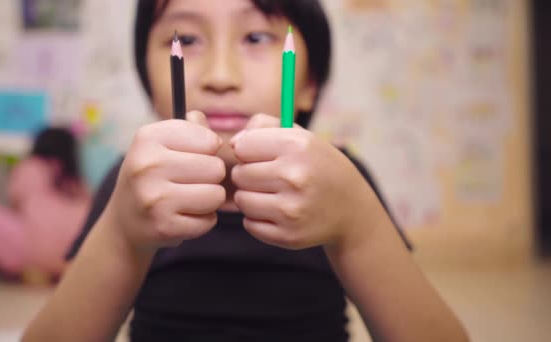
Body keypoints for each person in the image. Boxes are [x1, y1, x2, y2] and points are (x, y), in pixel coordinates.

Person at [23, 0, 469, 340]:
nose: (220, 75)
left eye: (256, 38)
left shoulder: (342, 180)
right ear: (147, 78)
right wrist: (122, 231)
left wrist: (359, 226)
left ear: (310, 85)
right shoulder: (131, 184)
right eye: (188, 40)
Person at [0, 127, 91, 281]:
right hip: (76, 254)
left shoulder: (29, 166)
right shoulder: (75, 178)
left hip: (35, 249)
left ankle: (34, 268)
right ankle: (59, 269)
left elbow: (17, 207)